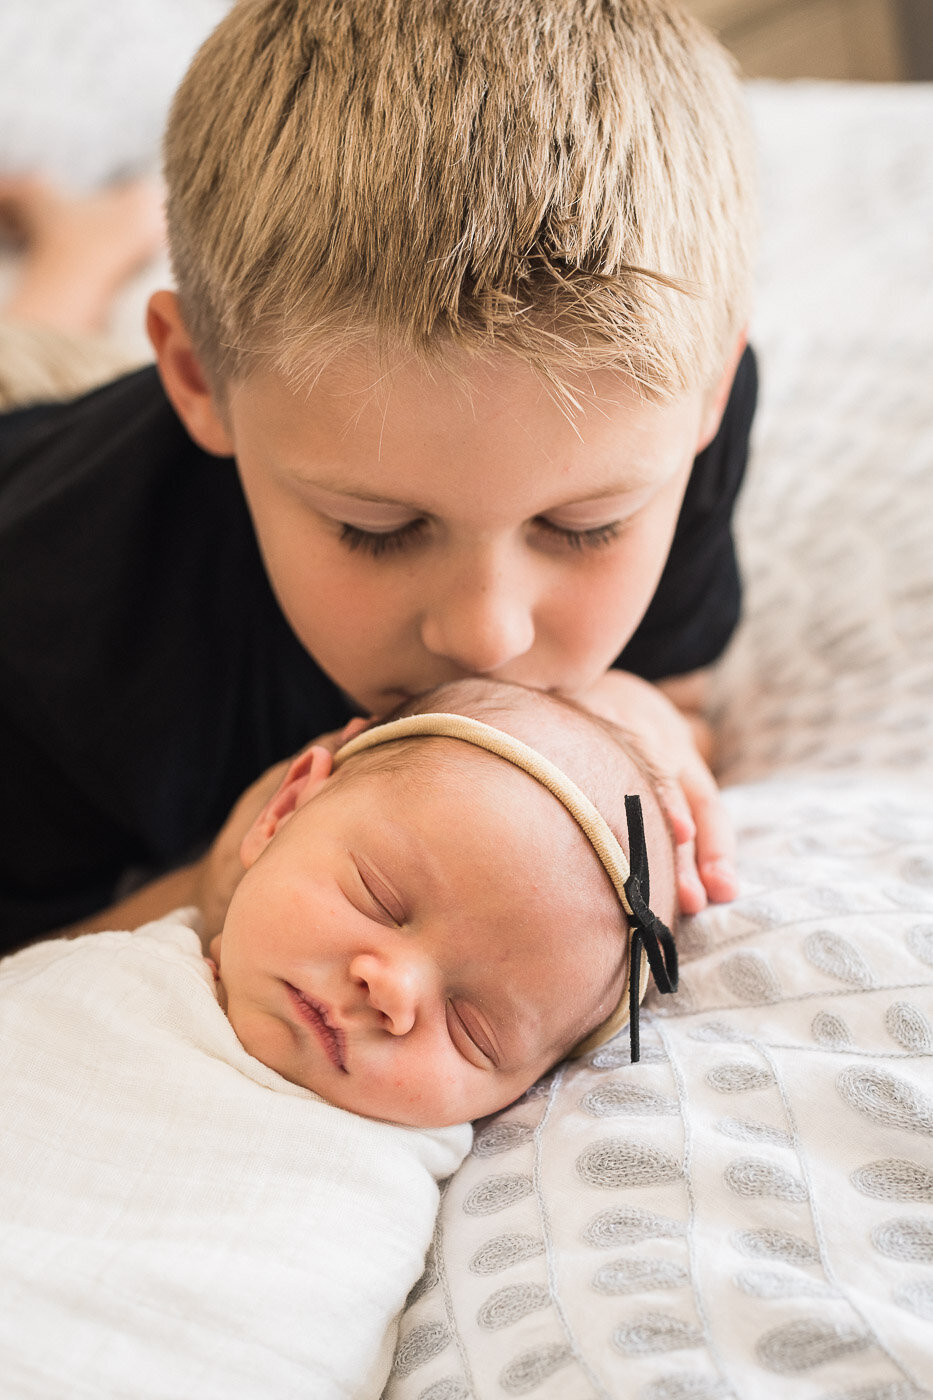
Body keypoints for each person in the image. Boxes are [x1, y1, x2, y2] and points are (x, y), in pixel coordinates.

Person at [0, 0, 758, 949]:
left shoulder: (665, 407)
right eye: (377, 528)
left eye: (583, 527)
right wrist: (211, 884)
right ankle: (77, 254)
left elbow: (680, 694)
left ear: (710, 392)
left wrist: (635, 719)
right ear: (197, 380)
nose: (487, 637)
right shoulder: (46, 632)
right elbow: (26, 960)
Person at [0, 678, 676, 1397]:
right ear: (283, 811)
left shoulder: (390, 1169)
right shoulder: (104, 973)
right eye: (378, 899)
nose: (391, 989)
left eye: (472, 1029)